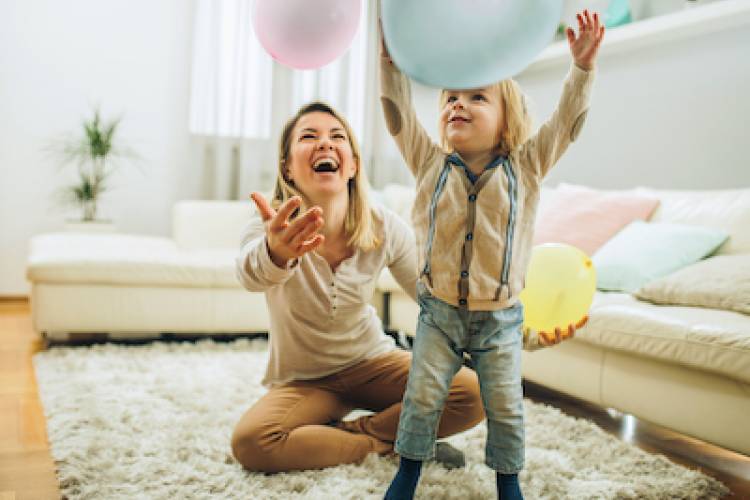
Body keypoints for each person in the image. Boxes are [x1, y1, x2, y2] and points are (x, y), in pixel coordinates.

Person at [380, 9, 605, 500]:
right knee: (421, 397)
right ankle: (408, 473)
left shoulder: (526, 166)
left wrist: (582, 68)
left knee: (506, 406)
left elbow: (568, 123)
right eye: (450, 98)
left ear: (508, 116)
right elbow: (396, 112)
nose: (457, 105)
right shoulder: (427, 163)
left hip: (500, 320)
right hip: (438, 314)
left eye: (476, 97)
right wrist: (387, 59)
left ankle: (509, 483)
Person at [231, 101, 488, 474]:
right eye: (309, 136)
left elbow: (432, 294)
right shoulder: (270, 225)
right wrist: (277, 252)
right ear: (287, 166)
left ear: (351, 164)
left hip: (373, 362)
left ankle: (349, 435)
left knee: (473, 394)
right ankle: (393, 445)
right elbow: (250, 276)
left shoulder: (384, 225)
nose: (324, 144)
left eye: (337, 137)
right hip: (305, 380)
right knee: (253, 443)